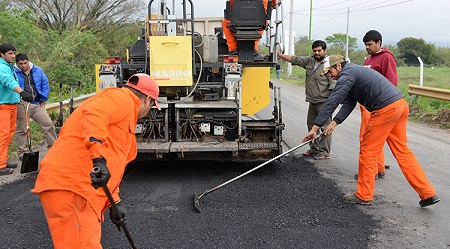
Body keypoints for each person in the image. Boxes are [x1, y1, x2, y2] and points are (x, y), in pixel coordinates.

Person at [32, 73, 160, 248]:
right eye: (152, 106)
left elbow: (111, 159)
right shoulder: (122, 99)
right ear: (147, 100)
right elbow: (95, 114)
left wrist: (115, 203)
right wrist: (98, 158)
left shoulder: (122, 107)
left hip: (78, 189)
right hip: (74, 188)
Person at [302, 54, 439, 207]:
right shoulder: (353, 73)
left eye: (329, 72)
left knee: (368, 151)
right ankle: (427, 193)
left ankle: (364, 195)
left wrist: (315, 127)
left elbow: (333, 100)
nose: (330, 76)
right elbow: (349, 103)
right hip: (399, 105)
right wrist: (334, 123)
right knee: (402, 151)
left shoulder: (346, 74)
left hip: (385, 109)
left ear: (338, 66)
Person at [277, 40, 336, 160]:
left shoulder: (329, 65)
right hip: (312, 100)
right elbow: (295, 59)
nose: (317, 53)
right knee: (311, 125)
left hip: (324, 101)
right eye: (315, 51)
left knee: (324, 126)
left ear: (325, 50)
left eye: (319, 50)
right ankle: (314, 149)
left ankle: (324, 152)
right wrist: (280, 55)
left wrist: (331, 103)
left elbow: (333, 85)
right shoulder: (309, 61)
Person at [355, 30, 399, 180]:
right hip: (367, 104)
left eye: (370, 44)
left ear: (379, 43)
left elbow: (391, 82)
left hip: (380, 104)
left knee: (369, 139)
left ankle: (370, 171)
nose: (367, 47)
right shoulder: (368, 59)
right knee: (374, 138)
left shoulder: (386, 58)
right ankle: (379, 168)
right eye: (365, 45)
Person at [14, 54, 57, 161]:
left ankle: (54, 148)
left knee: (48, 124)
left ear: (28, 61)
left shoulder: (37, 70)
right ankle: (22, 153)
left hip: (37, 102)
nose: (23, 66)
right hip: (22, 103)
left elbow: (45, 83)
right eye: (21, 64)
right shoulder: (14, 72)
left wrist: (44, 98)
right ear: (17, 64)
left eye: (25, 63)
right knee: (22, 128)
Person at [0, 43, 34, 175]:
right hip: (3, 106)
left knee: (9, 134)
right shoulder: (1, 67)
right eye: (10, 53)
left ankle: (3, 160)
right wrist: (22, 92)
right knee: (2, 135)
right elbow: (8, 81)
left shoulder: (9, 66)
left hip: (11, 104)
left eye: (14, 53)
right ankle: (0, 165)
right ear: (2, 54)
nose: (13, 56)